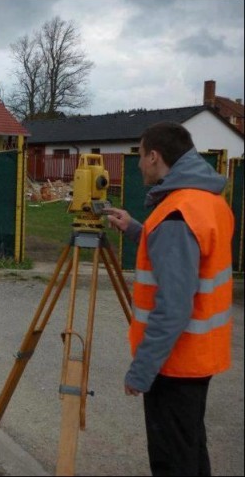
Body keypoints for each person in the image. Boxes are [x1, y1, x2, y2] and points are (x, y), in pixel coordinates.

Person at [106, 122, 234, 476]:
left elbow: (174, 306)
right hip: (199, 355)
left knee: (173, 460)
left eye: (140, 155)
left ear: (154, 156)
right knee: (190, 448)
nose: (137, 165)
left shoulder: (176, 214)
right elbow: (188, 255)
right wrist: (136, 229)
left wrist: (142, 370)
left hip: (175, 362)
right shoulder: (206, 201)